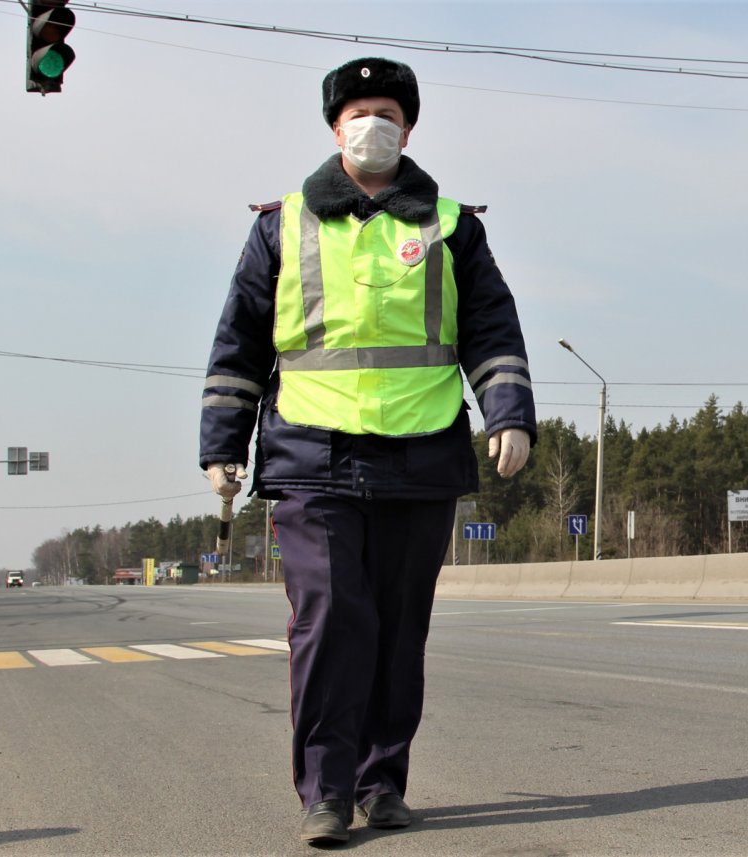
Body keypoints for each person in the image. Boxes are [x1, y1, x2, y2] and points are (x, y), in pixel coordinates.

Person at [199, 57, 536, 846]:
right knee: (329, 618)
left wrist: (508, 411)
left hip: (419, 458)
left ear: (408, 127)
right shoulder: (282, 224)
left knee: (395, 627)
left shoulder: (452, 224)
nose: (371, 124)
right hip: (312, 456)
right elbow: (240, 342)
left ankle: (383, 782)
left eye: (385, 110)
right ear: (333, 128)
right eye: (356, 112)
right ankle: (327, 789)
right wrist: (222, 441)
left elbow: (492, 329)